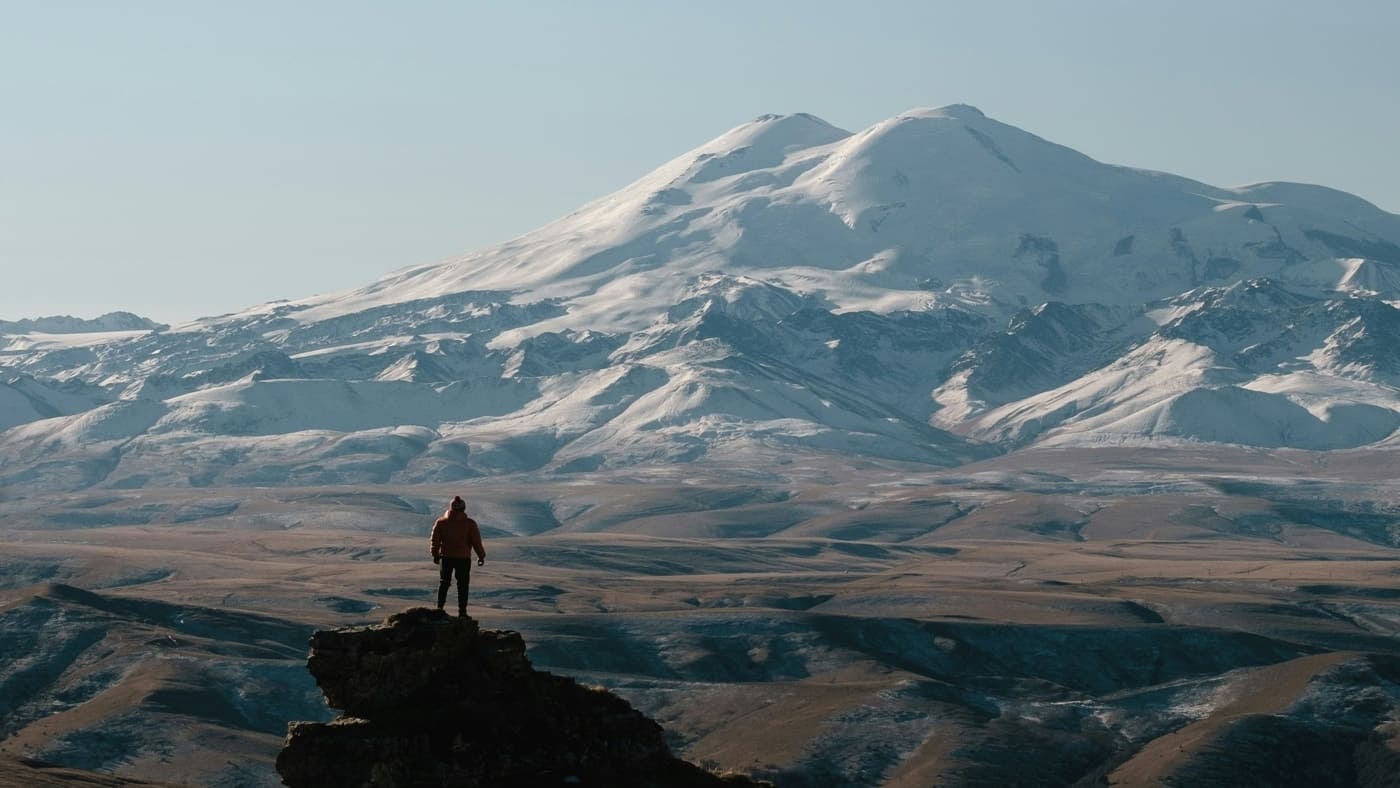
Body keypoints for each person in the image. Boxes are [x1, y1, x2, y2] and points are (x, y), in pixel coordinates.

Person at [430, 495, 486, 616]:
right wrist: (481, 556)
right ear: (464, 509)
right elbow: (476, 542)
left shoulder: (441, 522)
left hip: (446, 557)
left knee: (444, 583)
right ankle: (462, 612)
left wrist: (435, 554)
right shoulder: (470, 524)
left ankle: (439, 608)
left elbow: (435, 540)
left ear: (451, 508)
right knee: (463, 585)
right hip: (463, 558)